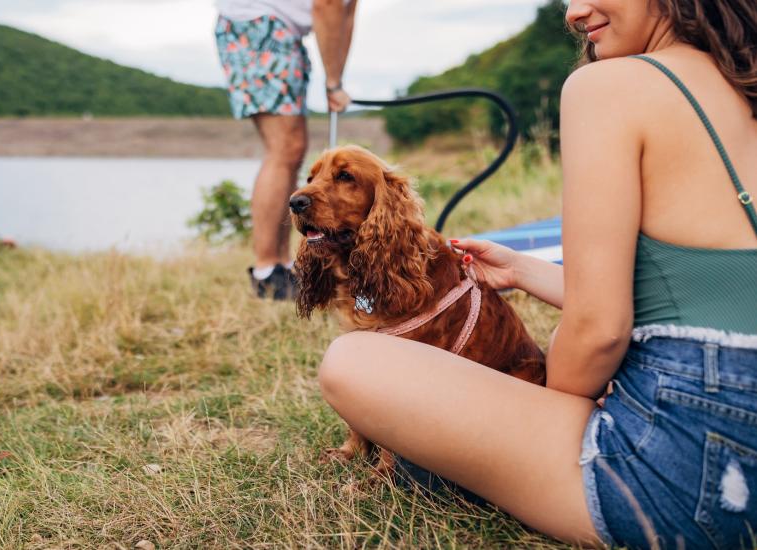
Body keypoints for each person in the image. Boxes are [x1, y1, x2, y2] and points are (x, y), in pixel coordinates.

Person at [315, 0, 757, 547]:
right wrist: (524, 270)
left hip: (682, 478)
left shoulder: (609, 86)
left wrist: (551, 410)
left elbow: (601, 330)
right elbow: (709, 293)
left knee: (352, 359)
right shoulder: (745, 83)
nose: (573, 12)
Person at [214, 0, 356, 300]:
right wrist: (332, 84)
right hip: (257, 25)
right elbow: (327, 4)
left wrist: (336, 80)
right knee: (284, 149)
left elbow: (346, 12)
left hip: (275, 29)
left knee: (291, 151)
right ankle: (267, 270)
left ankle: (283, 266)